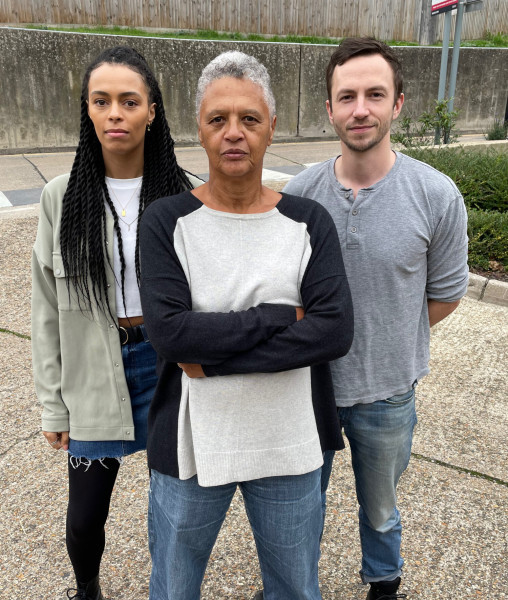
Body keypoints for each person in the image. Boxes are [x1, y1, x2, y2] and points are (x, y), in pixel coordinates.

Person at [139, 50, 354, 600]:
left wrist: (209, 357)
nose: (234, 133)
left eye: (249, 119)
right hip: (190, 448)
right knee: (173, 586)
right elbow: (169, 335)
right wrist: (279, 317)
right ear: (200, 129)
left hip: (290, 445)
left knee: (295, 588)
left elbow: (333, 332)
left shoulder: (308, 222)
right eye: (218, 119)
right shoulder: (167, 222)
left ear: (271, 127)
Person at [283, 37, 469, 599]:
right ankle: (295, 586)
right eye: (347, 96)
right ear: (330, 109)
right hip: (307, 387)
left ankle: (384, 582)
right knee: (298, 509)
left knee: (381, 506)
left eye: (374, 94)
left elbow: (445, 294)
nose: (359, 108)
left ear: (398, 105)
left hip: (388, 392)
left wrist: (390, 336)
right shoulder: (299, 194)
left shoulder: (436, 195)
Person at [31, 46, 202, 600]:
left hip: (167, 365)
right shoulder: (62, 197)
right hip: (95, 370)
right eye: (101, 101)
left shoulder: (186, 191)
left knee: (174, 510)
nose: (115, 114)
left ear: (151, 109)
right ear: (87, 109)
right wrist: (53, 402)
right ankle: (87, 590)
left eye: (129, 101)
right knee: (84, 518)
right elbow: (46, 307)